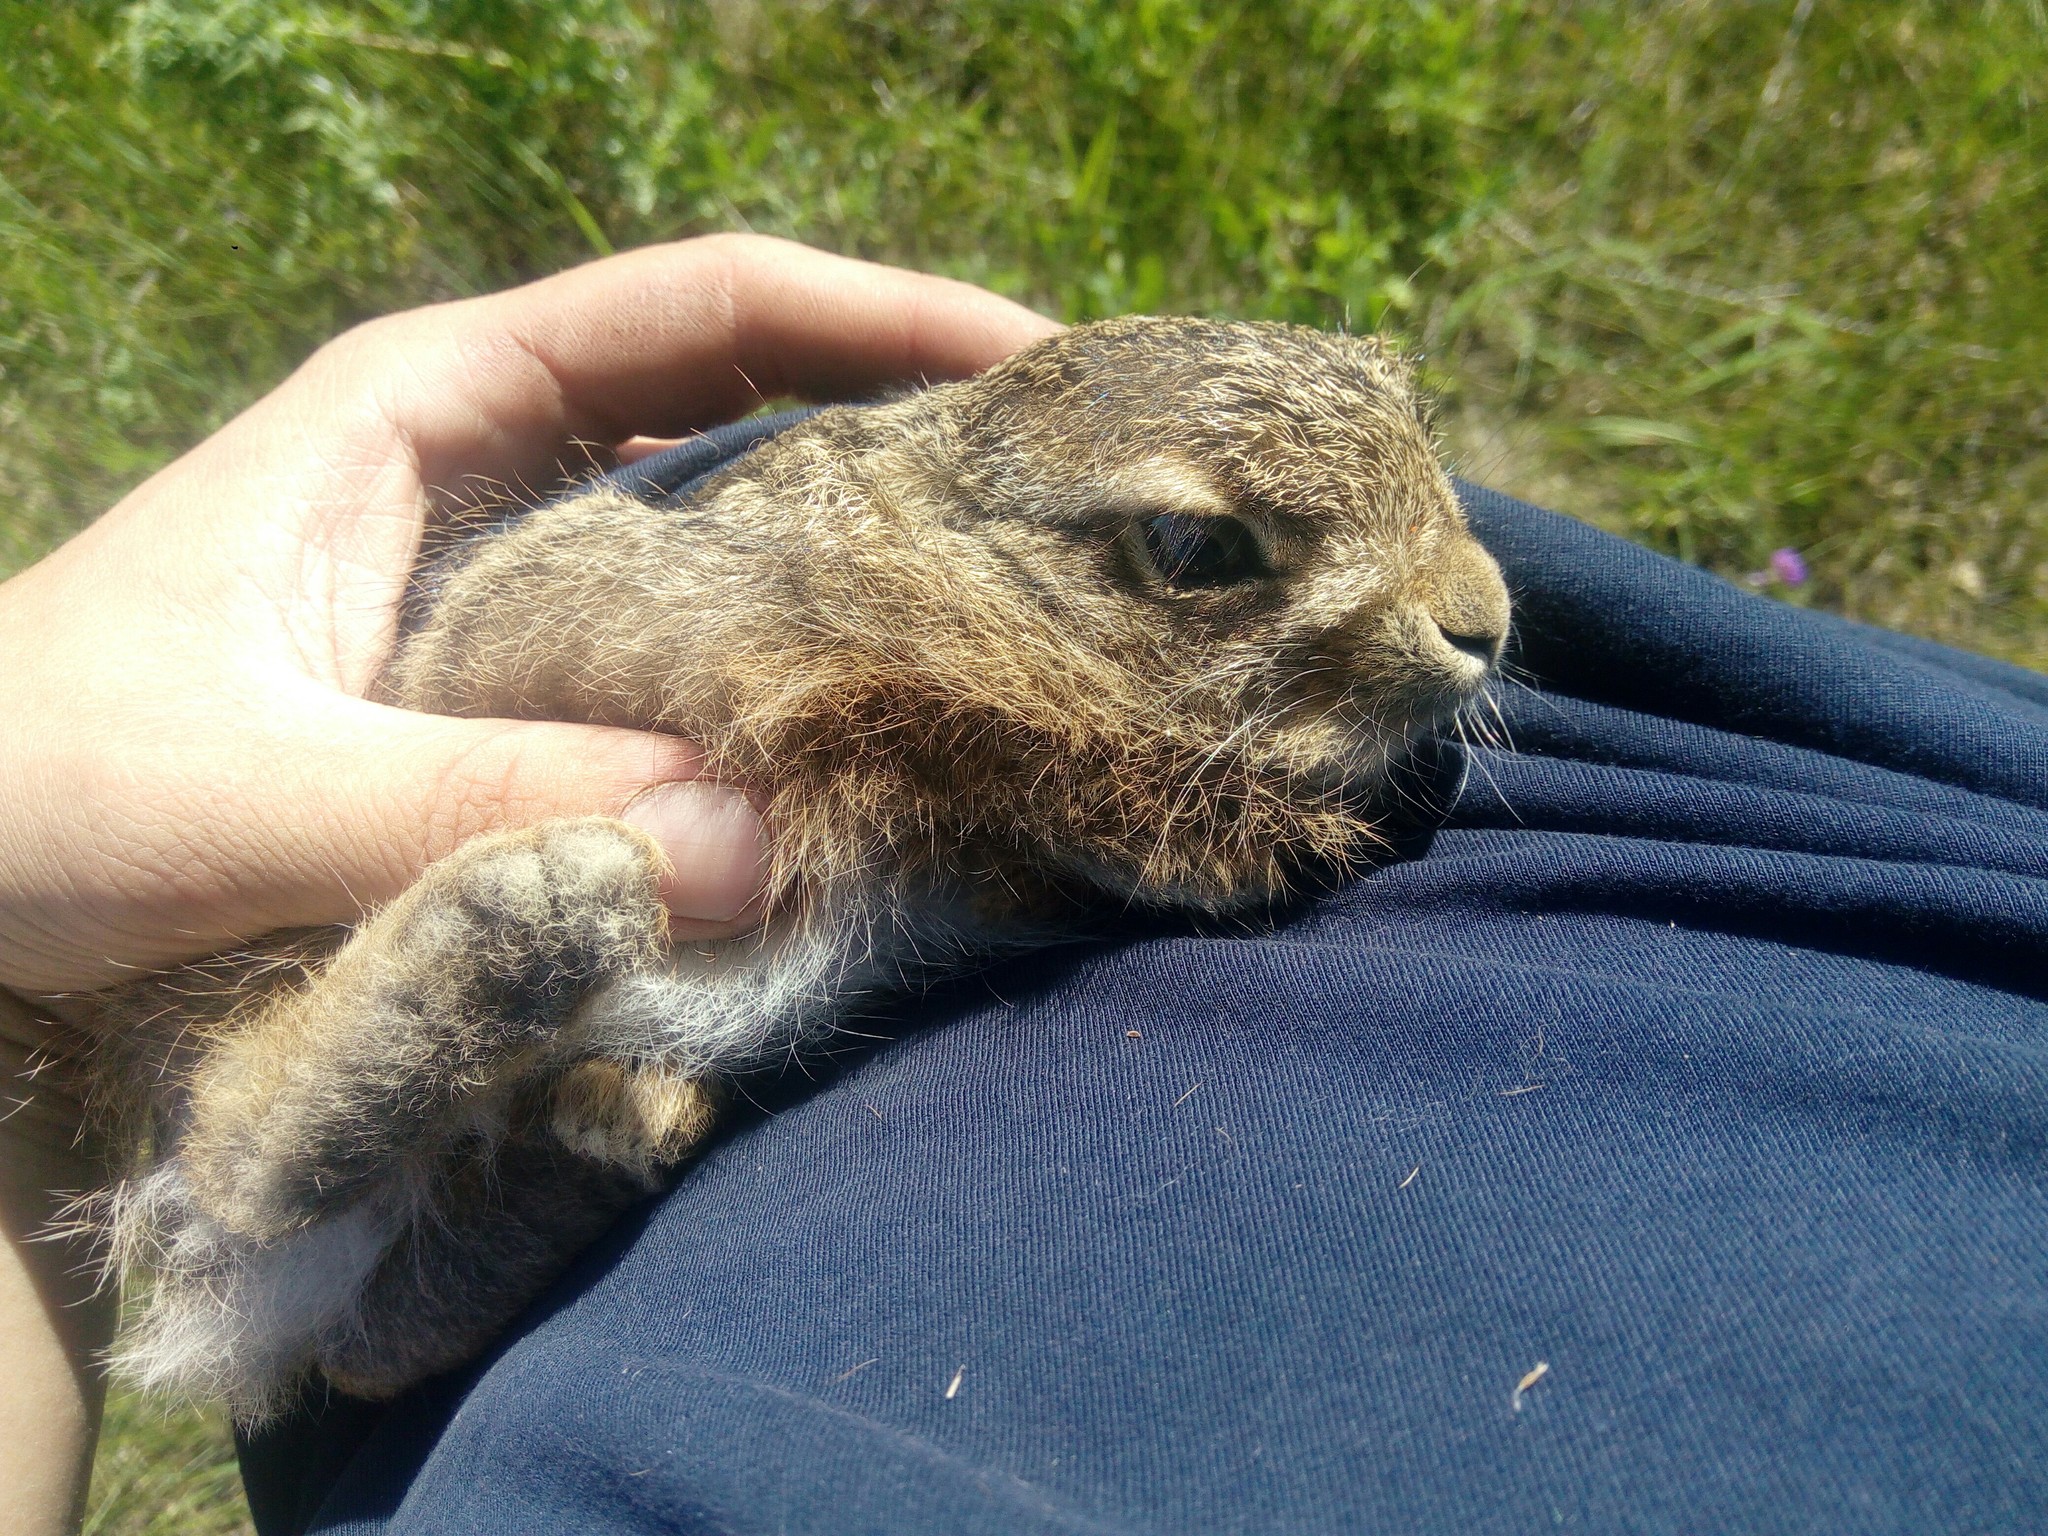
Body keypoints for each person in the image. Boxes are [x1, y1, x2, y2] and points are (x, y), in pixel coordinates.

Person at [10, 236, 2048, 1536]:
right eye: (1197, 556)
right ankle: (326, 1115)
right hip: (403, 1049)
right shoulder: (844, 590)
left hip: (561, 1217)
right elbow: (993, 775)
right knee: (368, 1179)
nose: (1470, 614)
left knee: (516, 1212)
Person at [0, 234, 1059, 1536]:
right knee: (320, 1208)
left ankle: (434, 1183)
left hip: (462, 1252)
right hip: (334, 1069)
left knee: (401, 1283)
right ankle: (333, 1130)